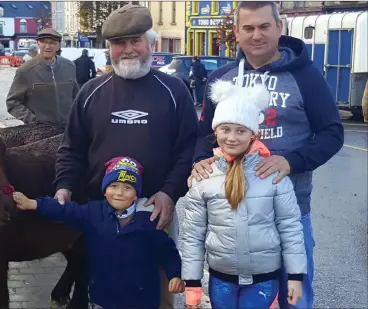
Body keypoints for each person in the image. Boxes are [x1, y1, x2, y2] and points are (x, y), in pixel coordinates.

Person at [189, 2, 344, 308]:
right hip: (230, 216)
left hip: (290, 213)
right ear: (236, 32)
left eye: (264, 26)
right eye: (247, 28)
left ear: (279, 28)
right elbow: (204, 134)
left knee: (293, 298)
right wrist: (199, 161)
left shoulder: (305, 77)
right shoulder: (221, 79)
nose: (256, 35)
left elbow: (332, 133)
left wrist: (291, 161)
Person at [53, 4, 198, 309]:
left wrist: (169, 193)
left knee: (158, 294)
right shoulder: (91, 91)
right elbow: (72, 148)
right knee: (105, 290)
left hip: (154, 210)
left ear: (151, 43)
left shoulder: (175, 91)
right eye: (119, 43)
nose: (128, 49)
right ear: (109, 48)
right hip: (102, 213)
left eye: (136, 41)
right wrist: (64, 185)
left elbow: (188, 150)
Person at [182, 66, 306, 309]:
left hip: (264, 280)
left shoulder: (272, 175)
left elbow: (290, 227)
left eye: (240, 130)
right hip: (221, 279)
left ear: (253, 134)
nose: (232, 137)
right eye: (225, 129)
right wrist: (192, 282)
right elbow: (192, 235)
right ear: (215, 130)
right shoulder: (204, 175)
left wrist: (295, 276)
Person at [13, 156, 184, 309]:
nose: (119, 193)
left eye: (127, 188)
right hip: (103, 298)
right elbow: (66, 210)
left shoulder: (149, 220)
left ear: (136, 194)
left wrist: (175, 275)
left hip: (141, 300)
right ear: (104, 190)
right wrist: (33, 204)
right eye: (114, 186)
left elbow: (167, 251)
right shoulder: (94, 213)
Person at [6, 28, 79, 124]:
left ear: (58, 46)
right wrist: (33, 120)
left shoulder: (69, 66)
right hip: (38, 131)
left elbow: (76, 96)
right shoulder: (25, 71)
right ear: (38, 44)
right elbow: (12, 102)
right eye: (44, 42)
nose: (48, 46)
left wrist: (72, 116)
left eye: (52, 43)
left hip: (66, 129)